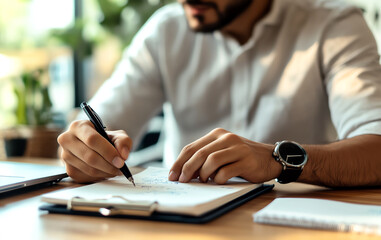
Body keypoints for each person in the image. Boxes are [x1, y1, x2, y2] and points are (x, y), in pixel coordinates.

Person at [58, 0, 381, 187]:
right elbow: (96, 129)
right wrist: (84, 149)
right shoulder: (165, 31)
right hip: (179, 226)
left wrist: (278, 160)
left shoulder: (334, 25)